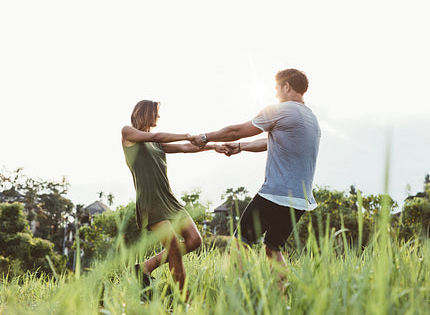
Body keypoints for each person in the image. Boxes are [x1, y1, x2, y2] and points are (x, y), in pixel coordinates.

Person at [189, 68, 321, 292]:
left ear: (286, 86)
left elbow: (238, 130)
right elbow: (270, 143)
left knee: (240, 242)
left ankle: (236, 295)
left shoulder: (281, 109)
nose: (275, 92)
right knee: (273, 247)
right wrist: (241, 148)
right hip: (300, 199)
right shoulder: (310, 119)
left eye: (277, 87)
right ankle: (280, 301)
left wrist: (205, 137)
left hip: (275, 194)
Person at [122, 99, 225, 296]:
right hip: (150, 201)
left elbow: (187, 148)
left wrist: (215, 147)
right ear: (145, 113)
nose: (158, 117)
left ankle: (144, 267)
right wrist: (186, 135)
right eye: (156, 113)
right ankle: (183, 300)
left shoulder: (156, 142)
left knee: (194, 240)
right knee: (174, 249)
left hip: (169, 199)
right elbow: (162, 135)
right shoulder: (128, 133)